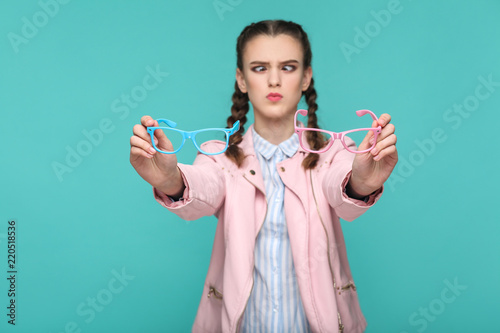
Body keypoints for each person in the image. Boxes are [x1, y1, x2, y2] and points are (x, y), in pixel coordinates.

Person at [130, 20, 397, 333]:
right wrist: (169, 179)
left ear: (306, 77)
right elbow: (202, 187)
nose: (273, 80)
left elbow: (342, 186)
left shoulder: (334, 153)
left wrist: (362, 182)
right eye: (259, 68)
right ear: (241, 79)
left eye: (287, 67)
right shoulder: (220, 157)